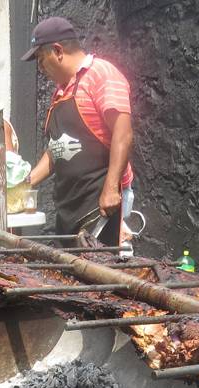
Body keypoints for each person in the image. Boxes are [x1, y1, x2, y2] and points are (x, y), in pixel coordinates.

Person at [22, 17, 134, 246]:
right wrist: (25, 183)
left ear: (58, 50)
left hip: (99, 206)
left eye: (41, 60)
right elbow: (56, 149)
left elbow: (123, 134)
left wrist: (111, 189)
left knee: (99, 275)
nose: (41, 69)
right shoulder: (60, 92)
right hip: (68, 208)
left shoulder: (101, 74)